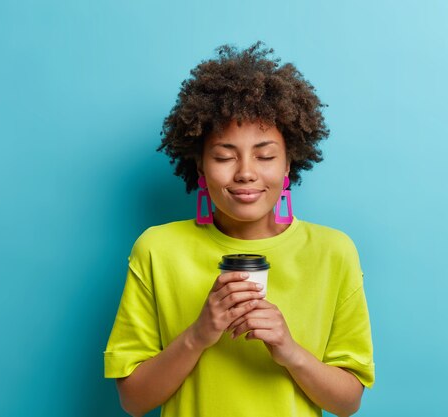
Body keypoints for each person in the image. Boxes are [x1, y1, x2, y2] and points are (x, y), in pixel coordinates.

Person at [103, 41, 375, 417]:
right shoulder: (157, 249)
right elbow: (134, 401)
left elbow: (348, 403)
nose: (246, 172)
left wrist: (290, 351)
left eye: (265, 156)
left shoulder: (333, 252)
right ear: (200, 167)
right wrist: (198, 335)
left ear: (288, 166)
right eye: (224, 156)